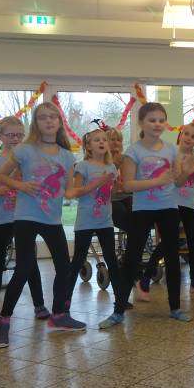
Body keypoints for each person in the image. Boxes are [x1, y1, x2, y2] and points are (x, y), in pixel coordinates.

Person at [0, 102, 81, 349]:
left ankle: (59, 315)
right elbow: (1, 176)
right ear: (36, 123)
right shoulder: (24, 150)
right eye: (43, 117)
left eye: (53, 117)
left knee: (64, 267)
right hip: (27, 216)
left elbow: (70, 189)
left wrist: (96, 183)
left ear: (59, 122)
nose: (49, 121)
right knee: (23, 268)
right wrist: (21, 185)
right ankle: (3, 322)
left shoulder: (67, 156)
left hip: (52, 219)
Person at [101, 102, 194, 328]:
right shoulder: (133, 151)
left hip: (169, 208)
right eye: (152, 120)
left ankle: (175, 308)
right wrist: (158, 181)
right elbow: (129, 185)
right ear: (141, 122)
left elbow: (177, 181)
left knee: (172, 259)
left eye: (161, 120)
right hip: (143, 209)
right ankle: (118, 312)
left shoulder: (171, 149)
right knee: (132, 259)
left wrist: (187, 172)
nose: (157, 124)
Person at [0, 117, 49, 324]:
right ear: (1, 136)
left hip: (26, 218)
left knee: (29, 262)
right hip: (1, 219)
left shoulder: (30, 160)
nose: (15, 139)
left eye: (19, 135)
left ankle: (39, 305)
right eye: (10, 135)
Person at [145, 123, 194, 295]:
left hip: (190, 205)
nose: (189, 138)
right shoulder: (172, 154)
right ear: (180, 134)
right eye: (186, 134)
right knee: (169, 241)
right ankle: (146, 275)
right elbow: (177, 182)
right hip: (172, 204)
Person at [66, 128, 122, 328]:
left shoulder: (111, 166)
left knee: (112, 260)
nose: (101, 142)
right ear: (88, 146)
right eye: (96, 140)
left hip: (105, 221)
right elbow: (77, 191)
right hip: (86, 222)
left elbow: (111, 193)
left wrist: (116, 186)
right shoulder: (83, 166)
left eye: (104, 139)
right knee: (77, 261)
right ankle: (64, 305)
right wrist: (100, 181)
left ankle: (121, 302)